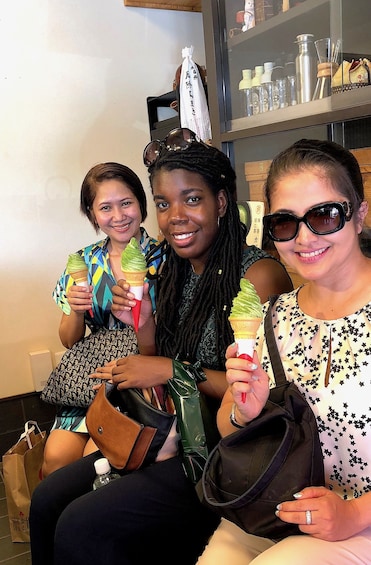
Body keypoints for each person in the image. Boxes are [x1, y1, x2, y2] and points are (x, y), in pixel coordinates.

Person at [30, 127, 293, 565]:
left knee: (81, 525)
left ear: (221, 203)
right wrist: (145, 319)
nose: (175, 216)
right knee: (47, 498)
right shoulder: (169, 268)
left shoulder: (258, 276)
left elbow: (260, 393)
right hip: (163, 433)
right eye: (164, 203)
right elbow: (150, 356)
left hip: (216, 452)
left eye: (192, 199)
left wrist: (173, 370)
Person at [197, 138, 371, 565]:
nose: (304, 237)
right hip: (276, 506)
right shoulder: (272, 314)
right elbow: (229, 426)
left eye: (324, 215)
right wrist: (244, 409)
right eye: (285, 223)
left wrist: (352, 513)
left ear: (359, 215)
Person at [42, 162, 162, 477]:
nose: (119, 216)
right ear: (92, 214)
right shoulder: (82, 262)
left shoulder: (166, 259)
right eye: (105, 207)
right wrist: (76, 308)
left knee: (93, 461)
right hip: (92, 383)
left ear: (141, 203)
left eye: (126, 203)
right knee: (55, 459)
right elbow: (69, 340)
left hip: (142, 381)